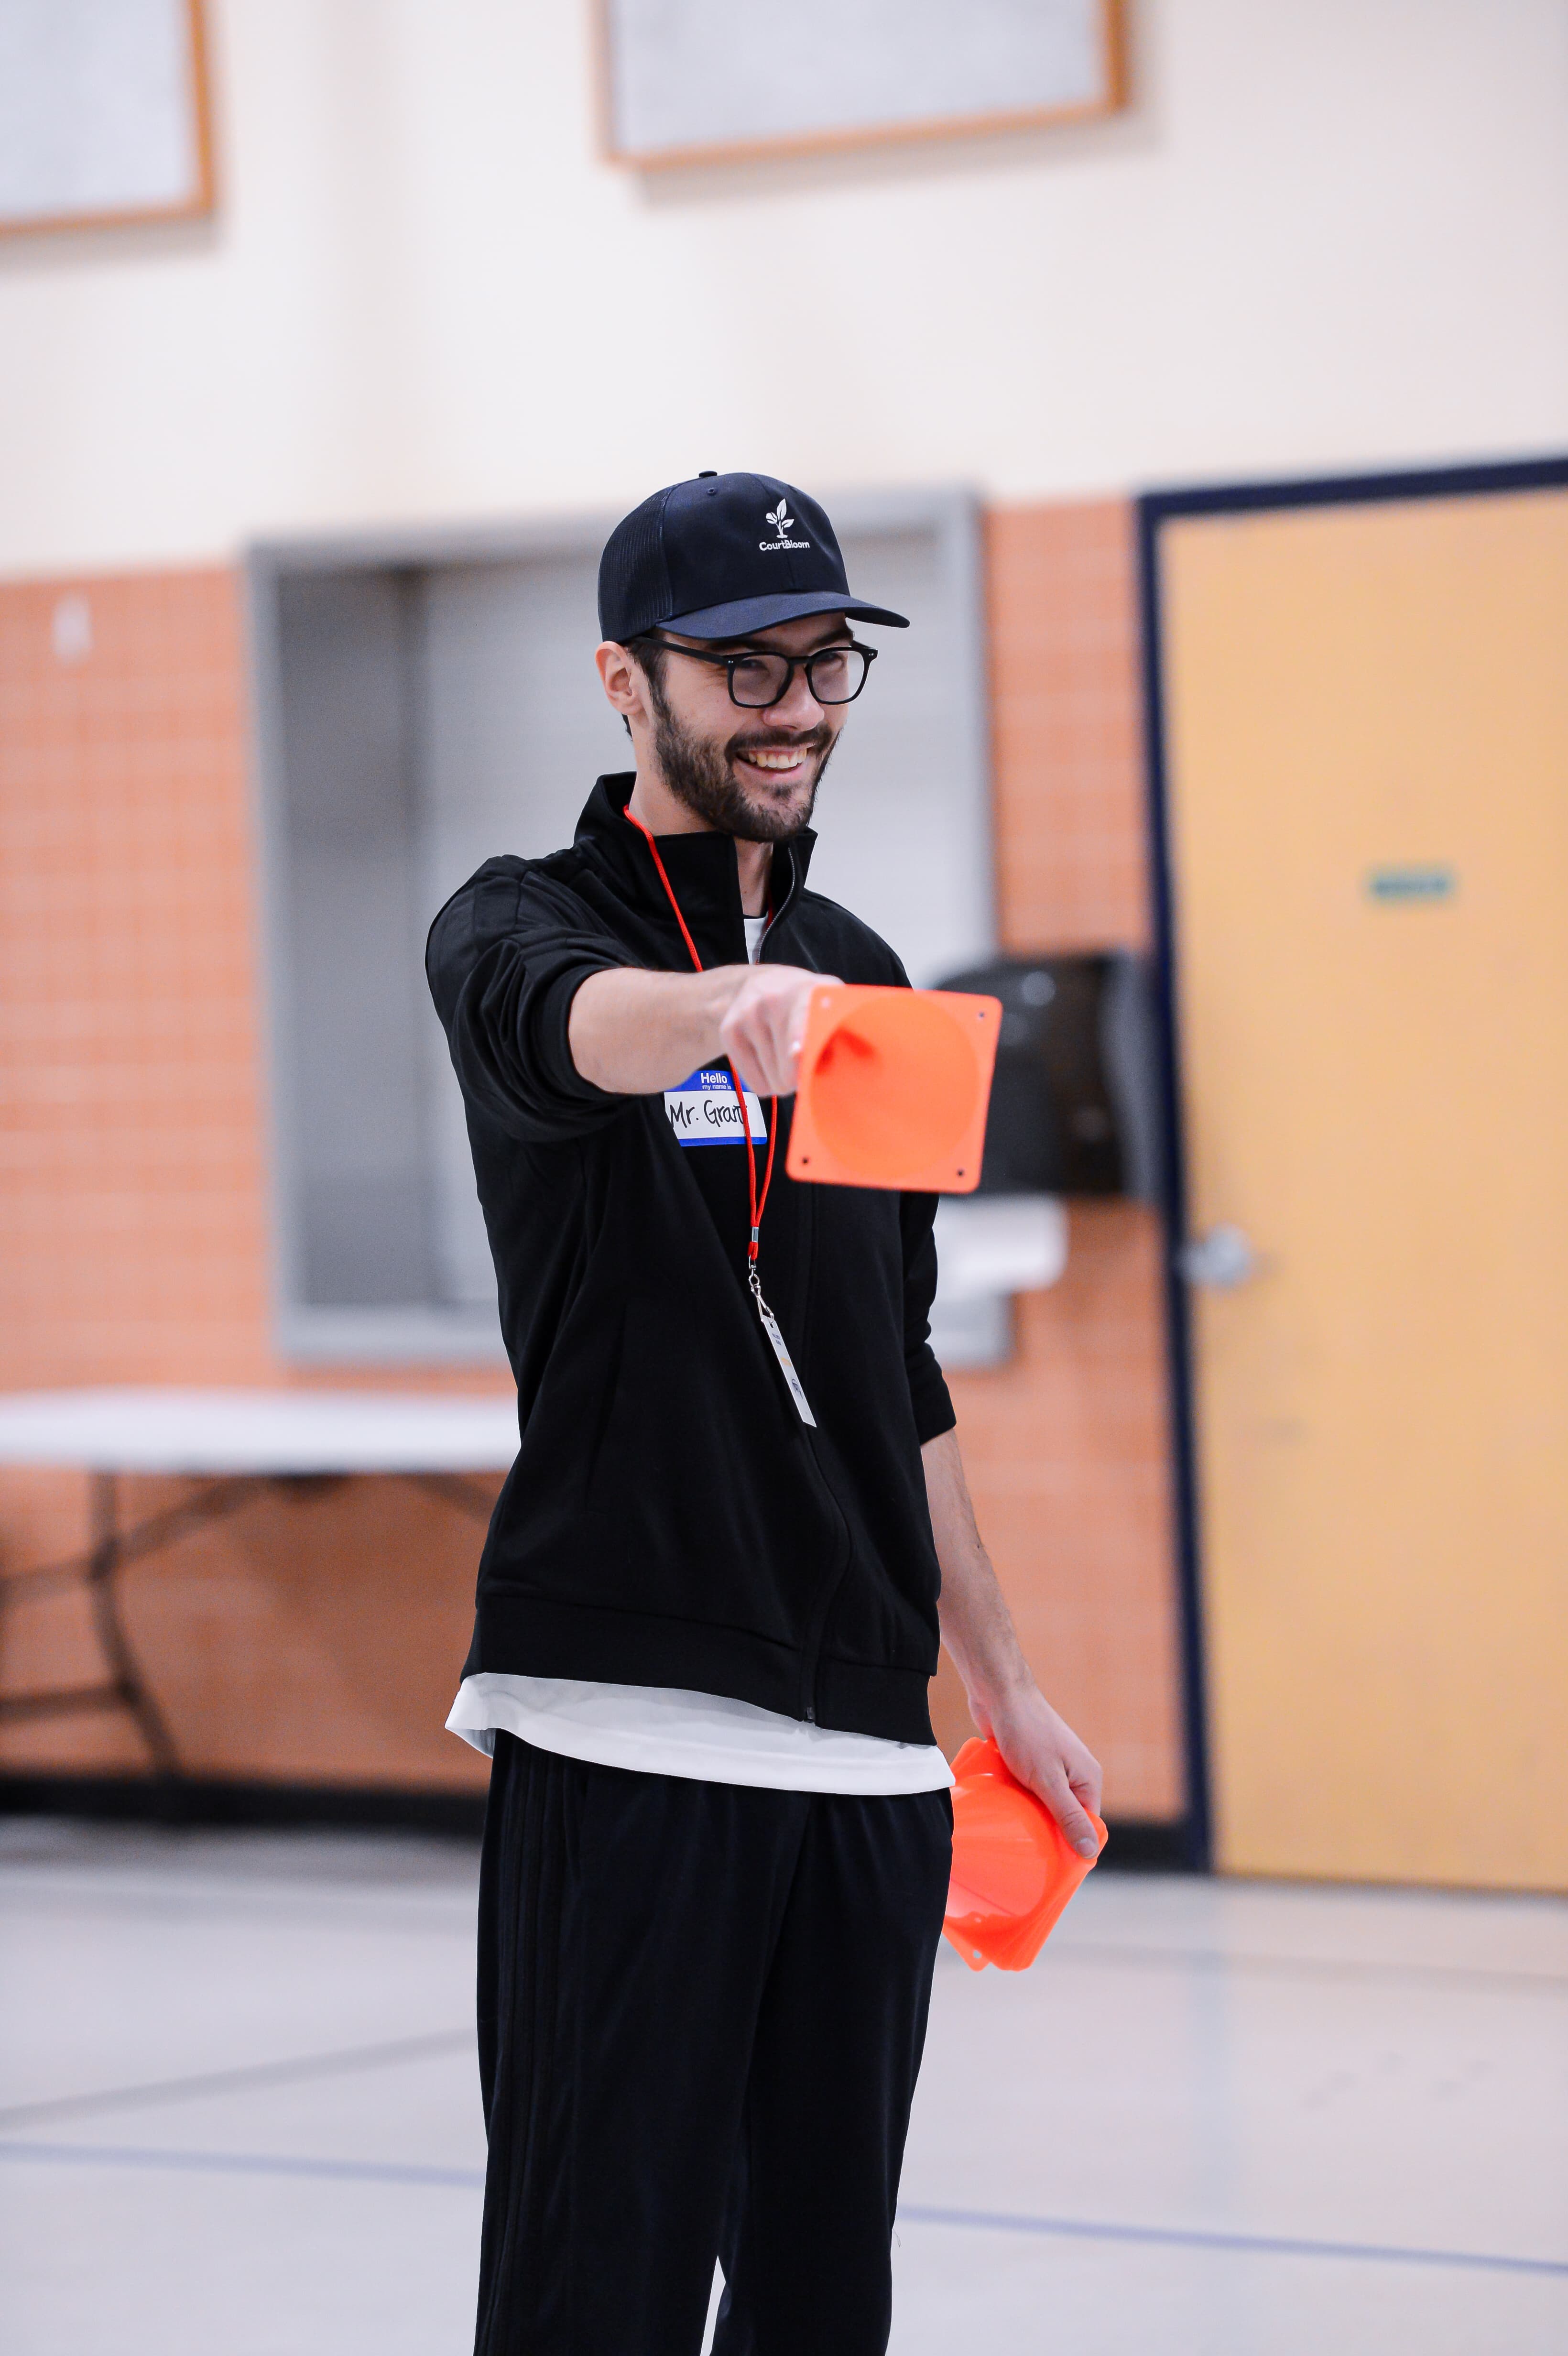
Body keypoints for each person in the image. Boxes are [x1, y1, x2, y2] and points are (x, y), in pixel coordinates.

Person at [426, 469, 1102, 2356]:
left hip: (867, 1754)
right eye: (741, 666)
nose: (792, 705)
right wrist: (730, 1011)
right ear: (624, 683)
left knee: (820, 2304)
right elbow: (575, 1030)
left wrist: (1003, 1683)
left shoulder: (872, 977)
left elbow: (895, 1366)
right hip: (626, 1719)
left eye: (823, 662)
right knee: (596, 2290)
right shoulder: (514, 924)